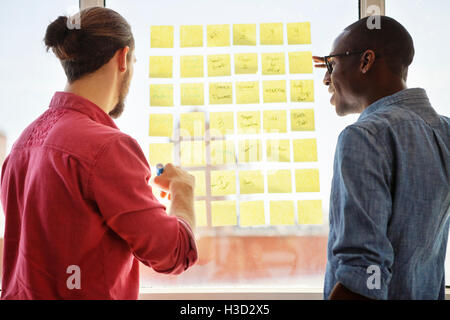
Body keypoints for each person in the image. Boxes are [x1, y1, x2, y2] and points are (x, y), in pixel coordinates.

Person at [0, 7, 198, 300]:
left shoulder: (22, 144)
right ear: (123, 58)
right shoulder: (108, 147)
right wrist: (183, 191)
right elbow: (173, 253)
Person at [313, 16, 450, 299]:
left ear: (365, 61)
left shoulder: (363, 137)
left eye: (331, 64)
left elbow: (363, 277)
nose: (326, 78)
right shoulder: (445, 131)